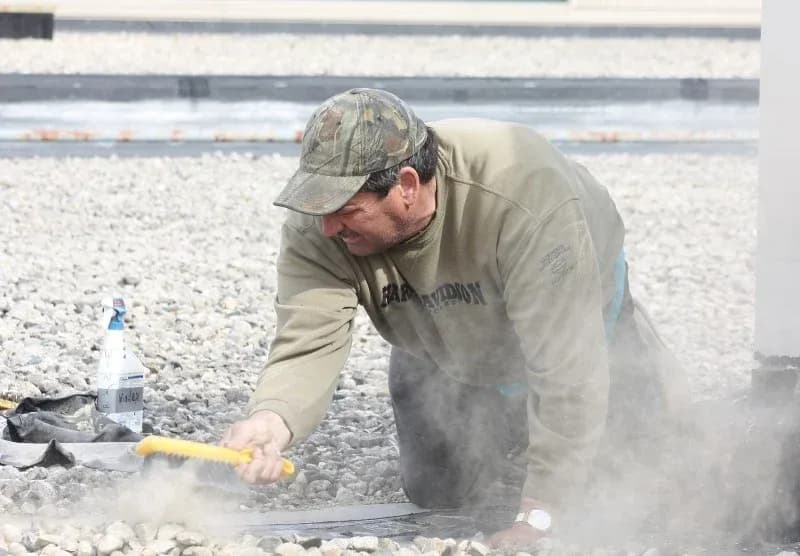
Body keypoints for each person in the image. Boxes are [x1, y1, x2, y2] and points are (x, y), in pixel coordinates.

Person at [221, 88, 689, 548]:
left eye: (346, 211)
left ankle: (622, 393)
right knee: (437, 488)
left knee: (643, 480)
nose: (327, 227)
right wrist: (273, 420)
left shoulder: (524, 196)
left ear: (406, 185)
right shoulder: (320, 223)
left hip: (570, 321)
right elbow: (308, 341)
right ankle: (520, 427)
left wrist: (542, 510)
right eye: (320, 209)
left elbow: (569, 369)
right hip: (437, 337)